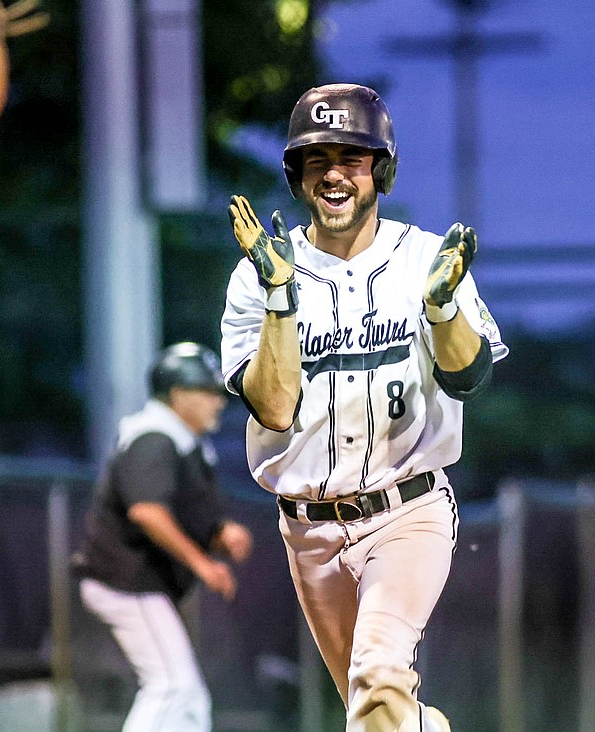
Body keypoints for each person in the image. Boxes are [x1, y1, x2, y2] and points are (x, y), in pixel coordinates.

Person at [220, 83, 508, 732]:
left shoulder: (425, 258)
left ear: (381, 169)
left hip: (406, 513)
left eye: (352, 156)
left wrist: (440, 307)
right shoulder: (259, 273)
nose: (334, 173)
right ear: (296, 175)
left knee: (378, 681)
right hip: (308, 530)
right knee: (376, 711)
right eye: (317, 158)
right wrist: (280, 298)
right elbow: (273, 408)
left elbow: (469, 378)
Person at [73, 342, 254, 732]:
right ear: (177, 394)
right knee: (172, 688)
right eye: (206, 392)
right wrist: (203, 564)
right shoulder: (154, 437)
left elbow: (182, 510)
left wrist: (219, 532)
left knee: (188, 698)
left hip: (135, 583)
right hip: (126, 582)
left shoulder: (177, 441)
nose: (217, 402)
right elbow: (147, 511)